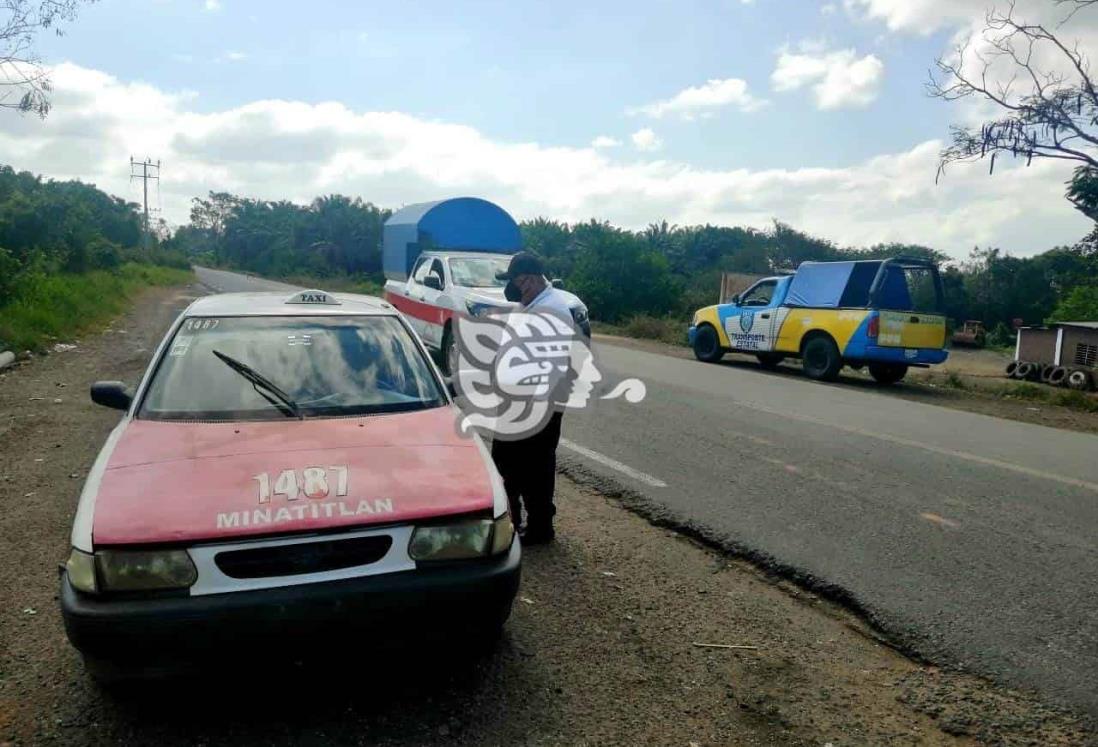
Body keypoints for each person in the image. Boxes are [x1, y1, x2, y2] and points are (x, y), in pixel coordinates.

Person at [490, 251, 581, 545]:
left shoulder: (550, 311)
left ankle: (540, 527)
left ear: (527, 280)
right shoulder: (531, 304)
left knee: (534, 467)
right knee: (510, 463)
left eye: (515, 282)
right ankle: (515, 521)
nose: (513, 289)